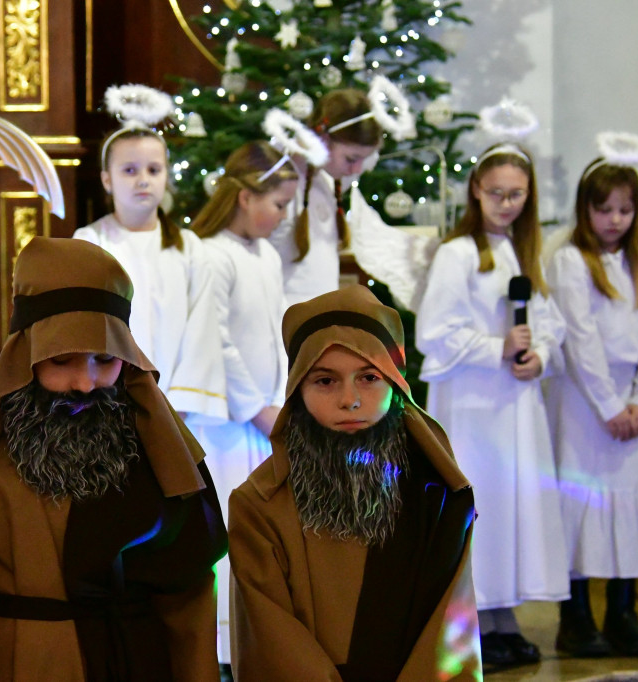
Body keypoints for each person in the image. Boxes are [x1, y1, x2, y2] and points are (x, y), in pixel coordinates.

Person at [0, 236, 229, 681]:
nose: (86, 382)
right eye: (62, 359)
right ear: (26, 353)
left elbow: (190, 592)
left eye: (105, 358)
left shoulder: (161, 445)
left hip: (141, 660)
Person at [229, 285, 480, 680]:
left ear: (395, 385)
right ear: (298, 390)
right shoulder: (258, 504)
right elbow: (271, 640)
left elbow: (450, 630)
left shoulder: (437, 494)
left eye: (368, 377)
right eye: (325, 381)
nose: (350, 399)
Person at [415, 142, 569, 668]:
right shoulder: (458, 254)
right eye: (497, 193)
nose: (507, 204)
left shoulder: (525, 255)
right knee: (484, 507)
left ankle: (505, 618)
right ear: (476, 190)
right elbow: (434, 333)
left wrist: (539, 355)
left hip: (517, 405)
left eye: (517, 195)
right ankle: (476, 620)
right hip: (473, 405)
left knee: (514, 508)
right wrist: (494, 348)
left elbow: (548, 323)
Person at [546, 152, 638, 657]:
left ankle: (623, 611)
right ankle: (575, 617)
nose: (614, 220)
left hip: (632, 408)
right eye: (604, 209)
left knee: (630, 507)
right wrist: (611, 407)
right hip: (585, 404)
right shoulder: (570, 260)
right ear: (584, 209)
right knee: (582, 504)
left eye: (625, 210)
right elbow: (579, 339)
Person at [190, 140, 293, 662]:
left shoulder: (267, 255)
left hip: (264, 417)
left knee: (258, 538)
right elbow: (217, 339)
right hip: (229, 423)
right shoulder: (211, 255)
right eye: (278, 203)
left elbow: (273, 337)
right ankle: (221, 652)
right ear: (246, 196)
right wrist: (257, 408)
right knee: (227, 534)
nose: (282, 216)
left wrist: (281, 399)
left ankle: (252, 644)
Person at [74, 125, 228, 428]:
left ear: (166, 176)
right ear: (107, 179)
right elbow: (86, 329)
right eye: (129, 170)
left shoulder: (188, 247)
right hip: (111, 407)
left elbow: (203, 327)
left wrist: (177, 408)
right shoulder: (90, 243)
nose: (143, 179)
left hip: (178, 411)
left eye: (153, 170)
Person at [269, 88, 384, 305]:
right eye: (351, 159)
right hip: (284, 326)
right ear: (322, 139)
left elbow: (370, 154)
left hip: (318, 324)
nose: (355, 169)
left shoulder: (325, 181)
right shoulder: (277, 185)